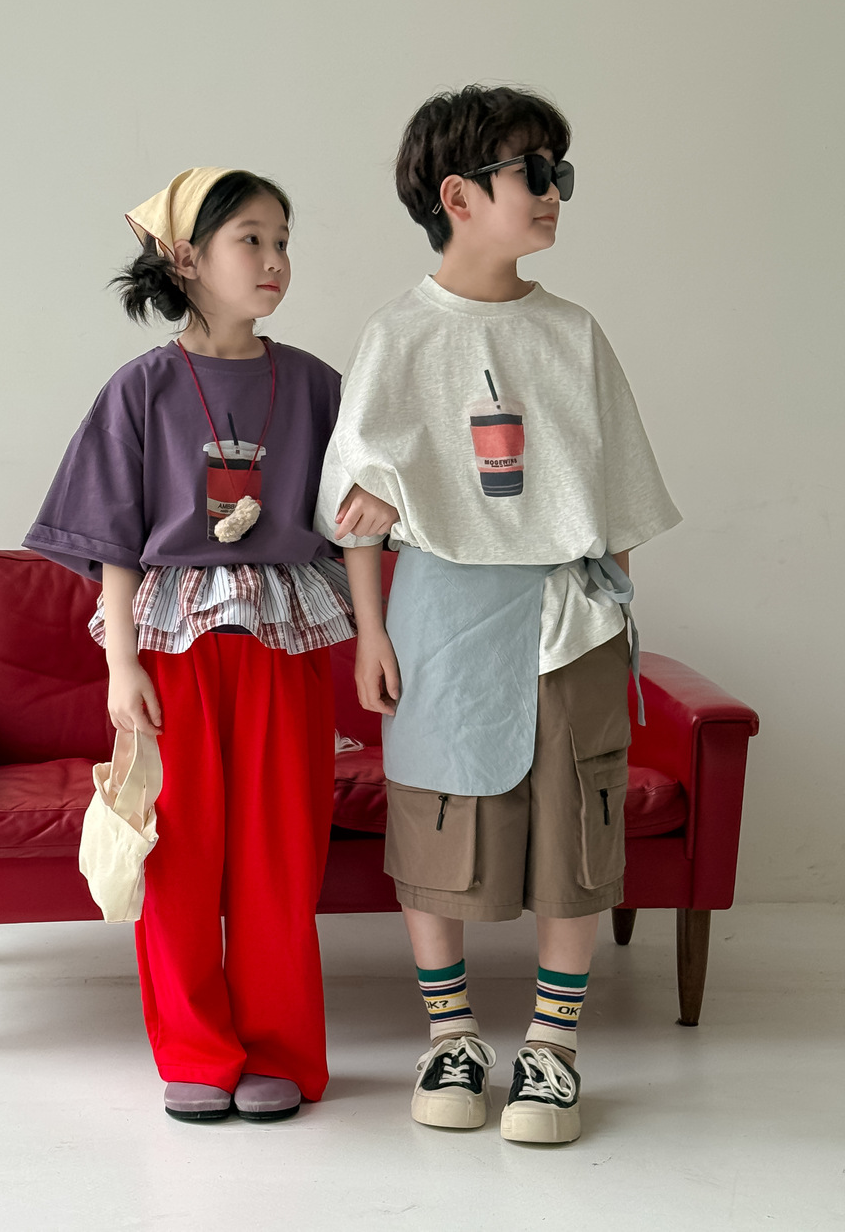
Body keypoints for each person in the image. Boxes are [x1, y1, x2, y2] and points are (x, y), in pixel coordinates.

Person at [316, 85, 681, 1144]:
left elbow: (616, 501)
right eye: (535, 171)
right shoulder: (398, 335)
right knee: (438, 825)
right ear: (459, 196)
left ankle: (553, 1050)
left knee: (578, 829)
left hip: (570, 619)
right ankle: (452, 1036)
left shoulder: (573, 334)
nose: (555, 190)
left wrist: (615, 630)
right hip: (439, 614)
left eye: (561, 171)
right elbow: (356, 507)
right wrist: (372, 631)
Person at [24, 167, 353, 1124]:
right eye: (251, 238)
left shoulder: (317, 385)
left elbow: (361, 520)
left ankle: (279, 1050)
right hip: (173, 652)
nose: (275, 259)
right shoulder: (143, 388)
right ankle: (197, 1052)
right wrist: (121, 665)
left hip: (286, 647)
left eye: (283, 240)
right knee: (178, 859)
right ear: (186, 258)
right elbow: (112, 537)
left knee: (281, 858)